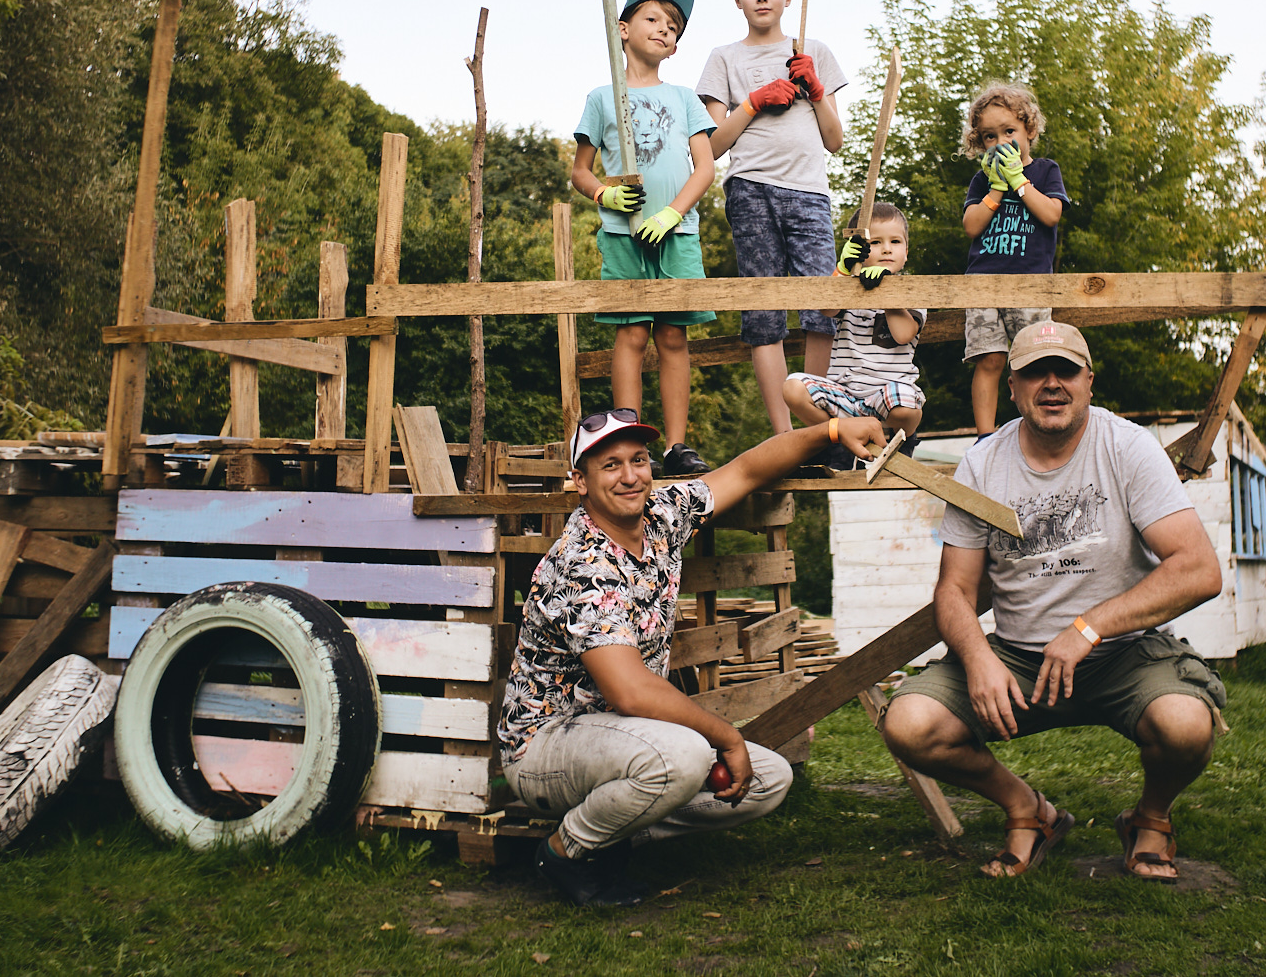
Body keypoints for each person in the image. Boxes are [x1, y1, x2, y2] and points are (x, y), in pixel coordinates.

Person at [878, 321, 1227, 883]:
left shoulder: (1128, 447)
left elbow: (1198, 569)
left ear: (1088, 381)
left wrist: (1090, 627)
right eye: (1034, 372)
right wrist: (978, 658)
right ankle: (1029, 811)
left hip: (1122, 657)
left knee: (1186, 725)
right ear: (1011, 387)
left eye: (1065, 369)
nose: (1051, 383)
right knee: (910, 723)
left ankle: (1151, 817)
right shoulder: (983, 463)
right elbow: (955, 590)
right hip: (1018, 658)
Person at [499, 406, 889, 906]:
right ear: (581, 481)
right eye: (610, 465)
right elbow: (630, 689)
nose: (629, 476)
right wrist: (727, 736)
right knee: (683, 757)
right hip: (547, 748)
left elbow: (747, 469)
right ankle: (564, 851)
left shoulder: (661, 515)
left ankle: (616, 837)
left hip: (625, 736)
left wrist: (832, 430)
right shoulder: (583, 563)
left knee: (769, 779)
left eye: (638, 460)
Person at [695, 0, 849, 435]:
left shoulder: (812, 50)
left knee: (823, 307)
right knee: (764, 313)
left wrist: (817, 90)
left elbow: (835, 140)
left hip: (809, 191)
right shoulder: (724, 58)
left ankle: (815, 425)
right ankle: (784, 435)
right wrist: (756, 102)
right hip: (751, 190)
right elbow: (713, 146)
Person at [572, 0, 718, 477]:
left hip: (676, 233)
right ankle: (631, 440)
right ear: (623, 27)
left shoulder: (684, 98)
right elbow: (580, 170)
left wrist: (673, 211)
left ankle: (676, 446)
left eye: (674, 27)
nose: (664, 30)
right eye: (653, 19)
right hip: (622, 234)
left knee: (673, 338)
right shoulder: (600, 98)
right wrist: (603, 193)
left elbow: (705, 167)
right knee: (631, 335)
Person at [959, 81, 1068, 437]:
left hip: (1030, 282)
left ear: (1029, 130)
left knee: (1033, 360)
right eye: (990, 137)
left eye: (1010, 131)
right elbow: (971, 226)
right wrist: (995, 188)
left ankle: (1036, 431)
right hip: (983, 282)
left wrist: (1019, 181)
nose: (1001, 142)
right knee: (989, 359)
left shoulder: (1045, 171)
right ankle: (984, 437)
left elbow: (1051, 215)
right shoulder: (981, 180)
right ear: (981, 143)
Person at [783, 203, 925, 465]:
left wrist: (887, 294)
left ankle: (903, 441)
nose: (886, 248)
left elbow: (904, 334)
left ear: (906, 252)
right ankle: (837, 438)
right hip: (845, 396)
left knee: (908, 407)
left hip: (887, 400)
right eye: (876, 242)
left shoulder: (911, 290)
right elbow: (827, 309)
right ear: (861, 251)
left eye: (895, 241)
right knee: (793, 388)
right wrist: (843, 269)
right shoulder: (849, 287)